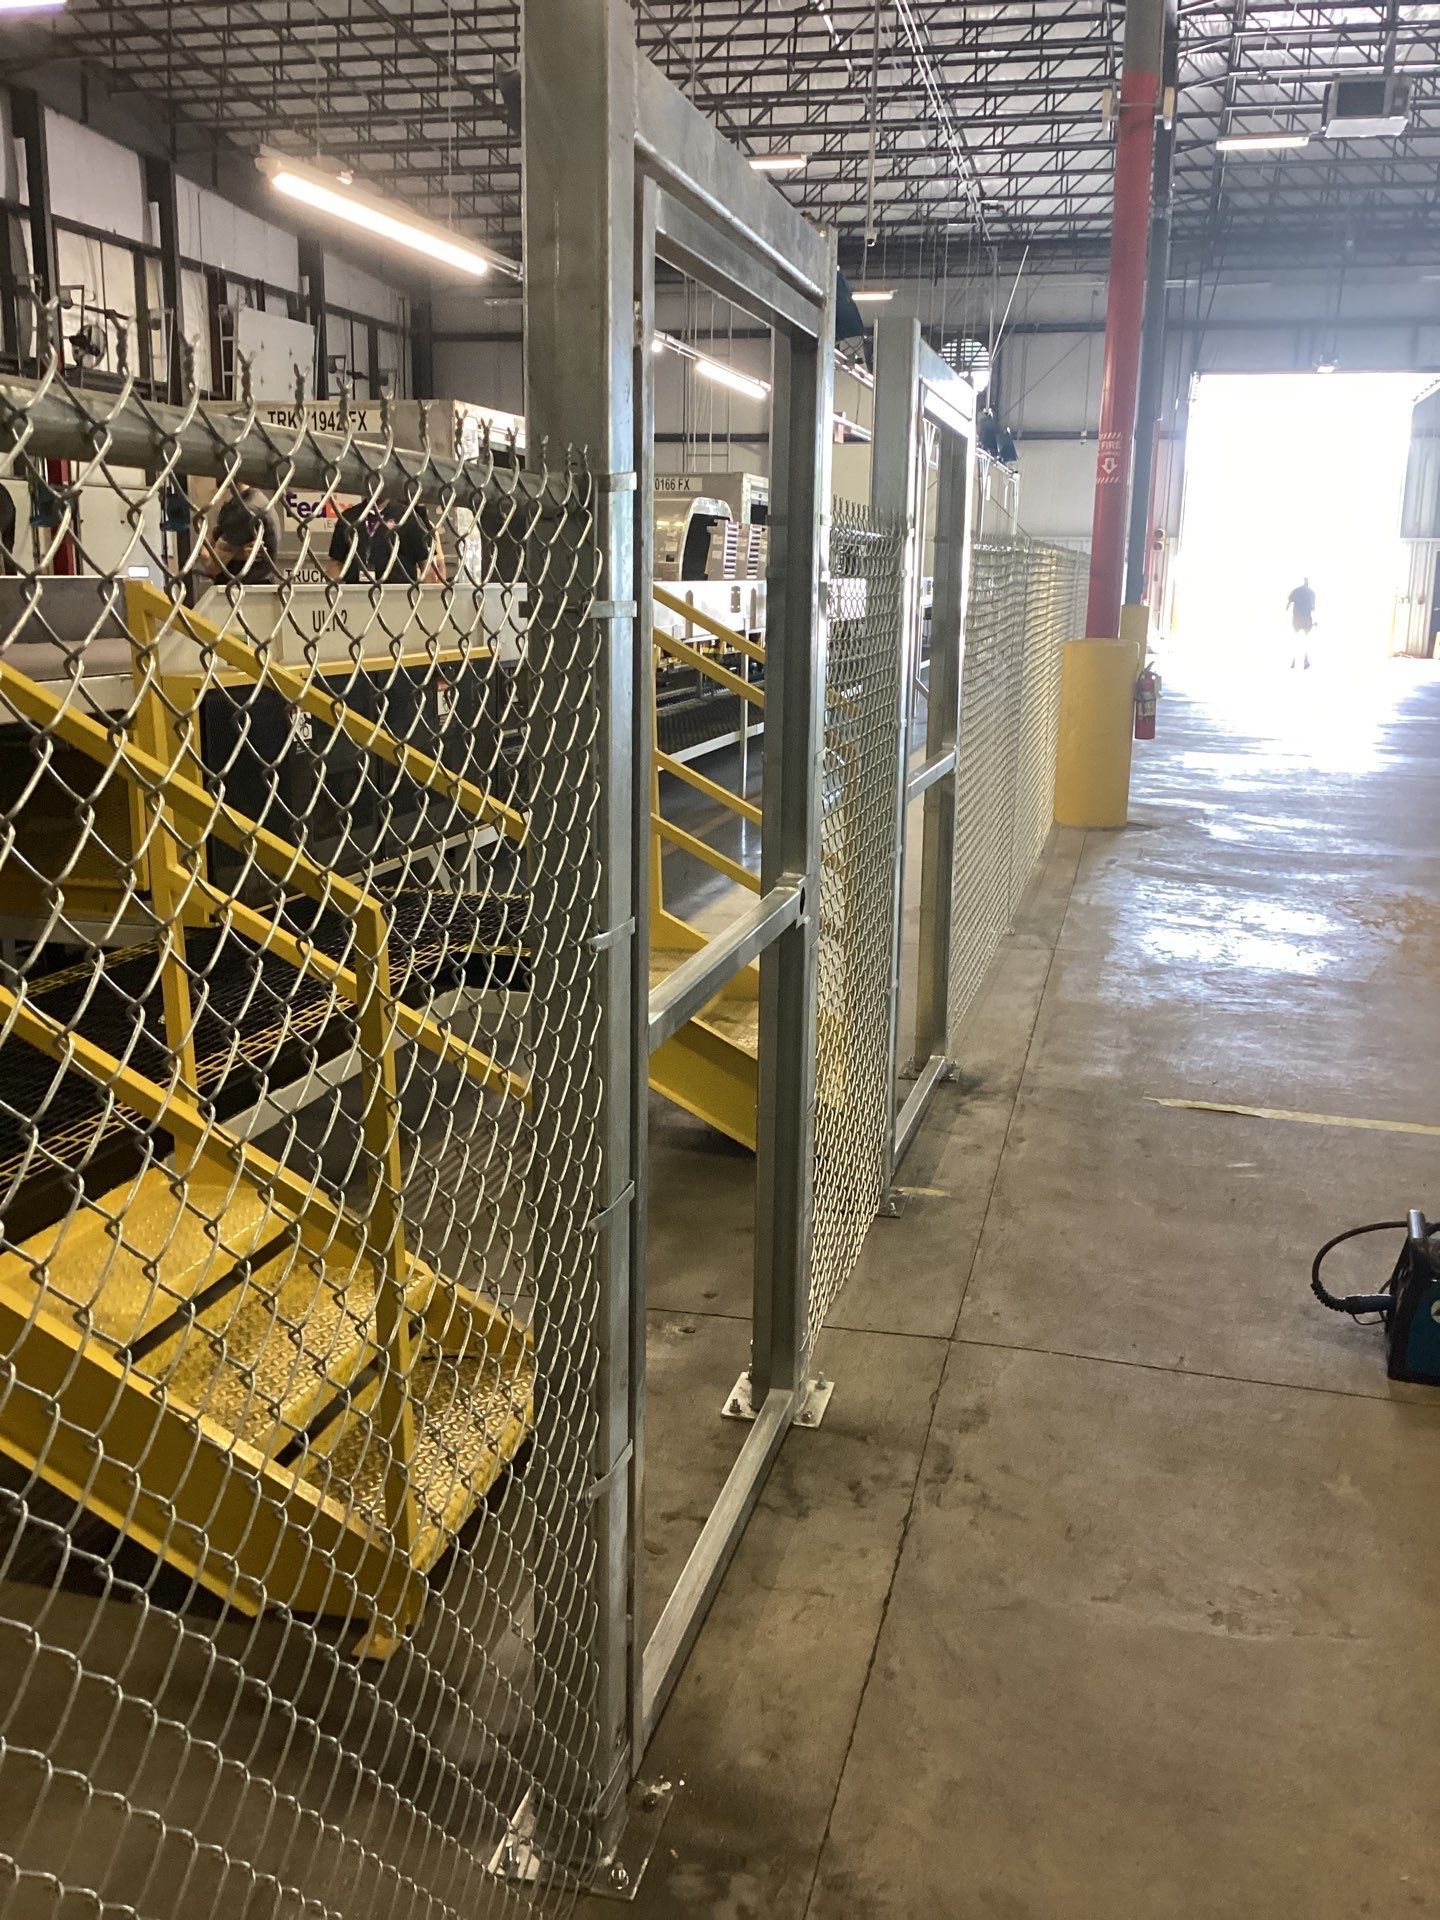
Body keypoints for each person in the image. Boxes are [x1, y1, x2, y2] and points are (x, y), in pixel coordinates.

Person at [324, 490, 446, 586]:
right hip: (357, 594)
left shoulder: (408, 517)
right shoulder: (349, 517)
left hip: (398, 595)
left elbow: (427, 566)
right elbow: (336, 563)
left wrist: (426, 602)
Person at [197, 487, 281, 587]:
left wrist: (205, 552)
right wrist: (236, 553)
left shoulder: (244, 511)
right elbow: (212, 538)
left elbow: (213, 566)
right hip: (254, 585)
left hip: (242, 588)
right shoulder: (253, 499)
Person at [1286, 576, 1316, 670]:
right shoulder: (1311, 592)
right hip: (1306, 618)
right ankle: (1305, 660)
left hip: (1297, 618)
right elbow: (1313, 607)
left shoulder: (1296, 590)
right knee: (1306, 639)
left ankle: (1293, 660)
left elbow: (1288, 604)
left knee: (1296, 638)